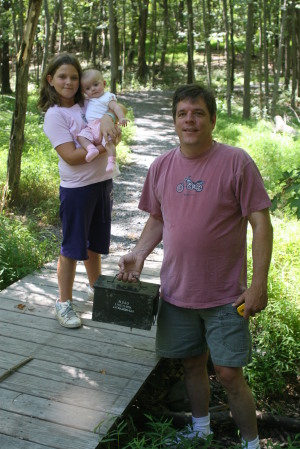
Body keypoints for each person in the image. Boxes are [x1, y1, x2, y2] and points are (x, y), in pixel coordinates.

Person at [117, 84, 273, 449]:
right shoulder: (161, 166)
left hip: (225, 294)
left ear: (213, 119)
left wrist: (259, 284)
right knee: (190, 364)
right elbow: (157, 219)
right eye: (183, 113)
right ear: (174, 120)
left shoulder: (236, 162)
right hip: (178, 291)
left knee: (229, 374)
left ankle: (252, 444)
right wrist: (139, 253)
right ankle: (200, 430)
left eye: (198, 113)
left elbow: (261, 222)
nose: (190, 120)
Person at [38, 53, 121, 329]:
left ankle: (96, 287)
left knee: (94, 243)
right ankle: (64, 302)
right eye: (62, 76)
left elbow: (112, 109)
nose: (69, 82)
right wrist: (105, 146)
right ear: (50, 80)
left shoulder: (87, 101)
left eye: (74, 77)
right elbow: (72, 156)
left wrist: (111, 119)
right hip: (76, 190)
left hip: (101, 184)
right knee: (73, 246)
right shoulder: (55, 115)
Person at [77, 69, 129, 172]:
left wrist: (122, 117)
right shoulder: (89, 98)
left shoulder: (107, 97)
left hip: (104, 126)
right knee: (81, 136)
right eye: (88, 88)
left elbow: (117, 107)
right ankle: (91, 149)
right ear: (84, 91)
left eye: (96, 85)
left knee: (109, 143)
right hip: (91, 127)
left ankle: (111, 162)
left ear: (104, 83)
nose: (93, 89)